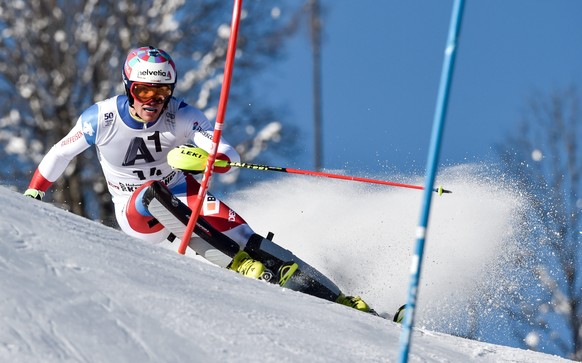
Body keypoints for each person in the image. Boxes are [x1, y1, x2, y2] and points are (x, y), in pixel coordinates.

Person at [24, 45, 377, 315]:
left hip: (181, 191)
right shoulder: (100, 117)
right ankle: (237, 264)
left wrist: (211, 158)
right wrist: (34, 193)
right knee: (153, 192)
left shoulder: (182, 115)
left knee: (244, 235)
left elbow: (227, 153)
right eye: (144, 91)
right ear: (129, 87)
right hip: (135, 211)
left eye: (161, 93)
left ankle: (336, 298)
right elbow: (60, 153)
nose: (153, 101)